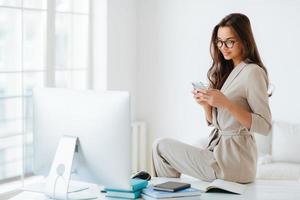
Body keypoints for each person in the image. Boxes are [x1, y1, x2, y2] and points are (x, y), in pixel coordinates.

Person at [152, 13, 272, 183]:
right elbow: (219, 123)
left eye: (230, 41)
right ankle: (168, 193)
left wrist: (227, 104)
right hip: (218, 153)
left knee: (160, 146)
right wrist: (206, 105)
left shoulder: (253, 72)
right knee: (161, 148)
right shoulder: (226, 72)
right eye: (219, 41)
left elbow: (265, 126)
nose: (223, 47)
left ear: (245, 41)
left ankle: (166, 193)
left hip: (235, 162)